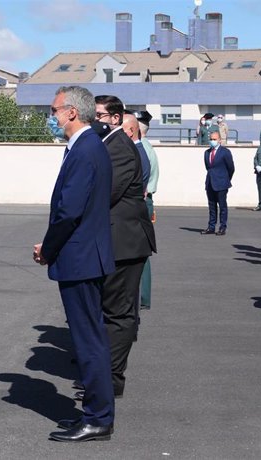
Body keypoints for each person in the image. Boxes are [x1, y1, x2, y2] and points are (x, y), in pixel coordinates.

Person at [33, 86, 115, 442]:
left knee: (88, 341)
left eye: (54, 111)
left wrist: (48, 249)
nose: (51, 117)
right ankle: (94, 413)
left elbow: (69, 211)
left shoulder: (85, 149)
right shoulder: (87, 146)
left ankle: (98, 417)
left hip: (80, 259)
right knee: (88, 338)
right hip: (84, 256)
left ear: (71, 112)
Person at [94, 95, 155, 399]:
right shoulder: (111, 145)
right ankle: (108, 375)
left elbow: (107, 193)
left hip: (125, 242)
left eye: (100, 115)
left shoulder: (118, 148)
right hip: (120, 239)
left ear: (116, 119)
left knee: (118, 314)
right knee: (115, 311)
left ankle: (110, 379)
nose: (96, 121)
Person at [123, 112, 154, 312]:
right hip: (141, 203)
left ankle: (139, 298)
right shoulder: (141, 149)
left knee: (137, 255)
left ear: (133, 130)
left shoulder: (139, 152)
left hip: (138, 206)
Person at [134, 110, 159, 311]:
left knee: (140, 252)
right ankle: (143, 296)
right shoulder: (148, 148)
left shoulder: (144, 150)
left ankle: (142, 297)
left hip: (142, 200)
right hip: (145, 200)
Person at [201, 131, 235, 235]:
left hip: (221, 183)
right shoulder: (207, 153)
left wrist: (225, 179)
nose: (212, 141)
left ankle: (222, 227)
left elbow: (231, 168)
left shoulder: (225, 152)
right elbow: (208, 168)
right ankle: (211, 227)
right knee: (212, 206)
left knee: (222, 206)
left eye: (214, 139)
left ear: (219, 140)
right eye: (211, 139)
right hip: (210, 183)